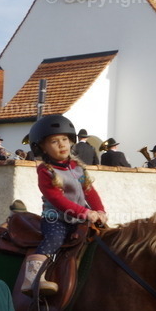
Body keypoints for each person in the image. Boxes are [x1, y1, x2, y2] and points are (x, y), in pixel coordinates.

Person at [24, 114, 108, 295]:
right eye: (54, 141)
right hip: (56, 218)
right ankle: (32, 278)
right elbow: (57, 199)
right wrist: (84, 212)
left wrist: (99, 210)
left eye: (65, 139)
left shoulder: (78, 167)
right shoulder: (46, 171)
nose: (62, 144)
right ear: (43, 148)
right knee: (54, 239)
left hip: (79, 217)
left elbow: (89, 191)